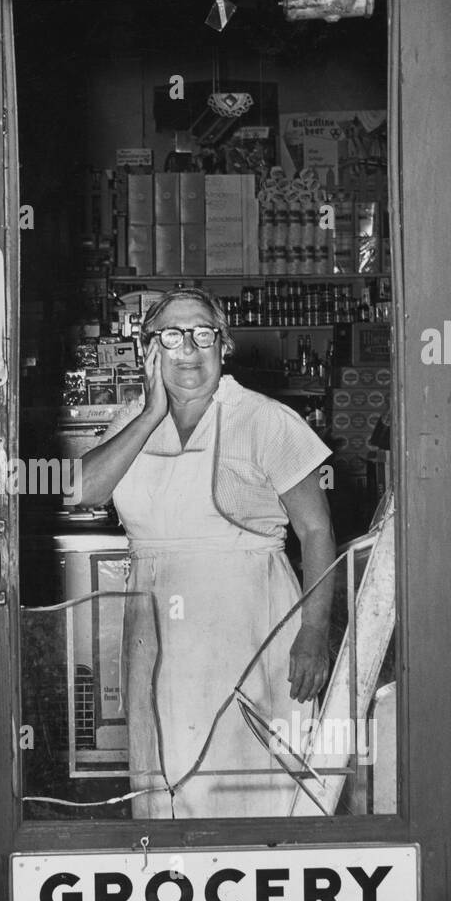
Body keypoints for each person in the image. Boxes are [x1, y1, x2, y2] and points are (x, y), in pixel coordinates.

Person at [77, 289, 335, 819]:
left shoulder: (265, 419)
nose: (188, 350)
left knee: (244, 784)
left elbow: (316, 531)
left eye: (202, 334)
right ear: (149, 349)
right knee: (163, 774)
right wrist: (151, 413)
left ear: (224, 344)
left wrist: (313, 631)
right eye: (171, 336)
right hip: (155, 630)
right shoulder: (132, 419)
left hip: (247, 626)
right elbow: (82, 490)